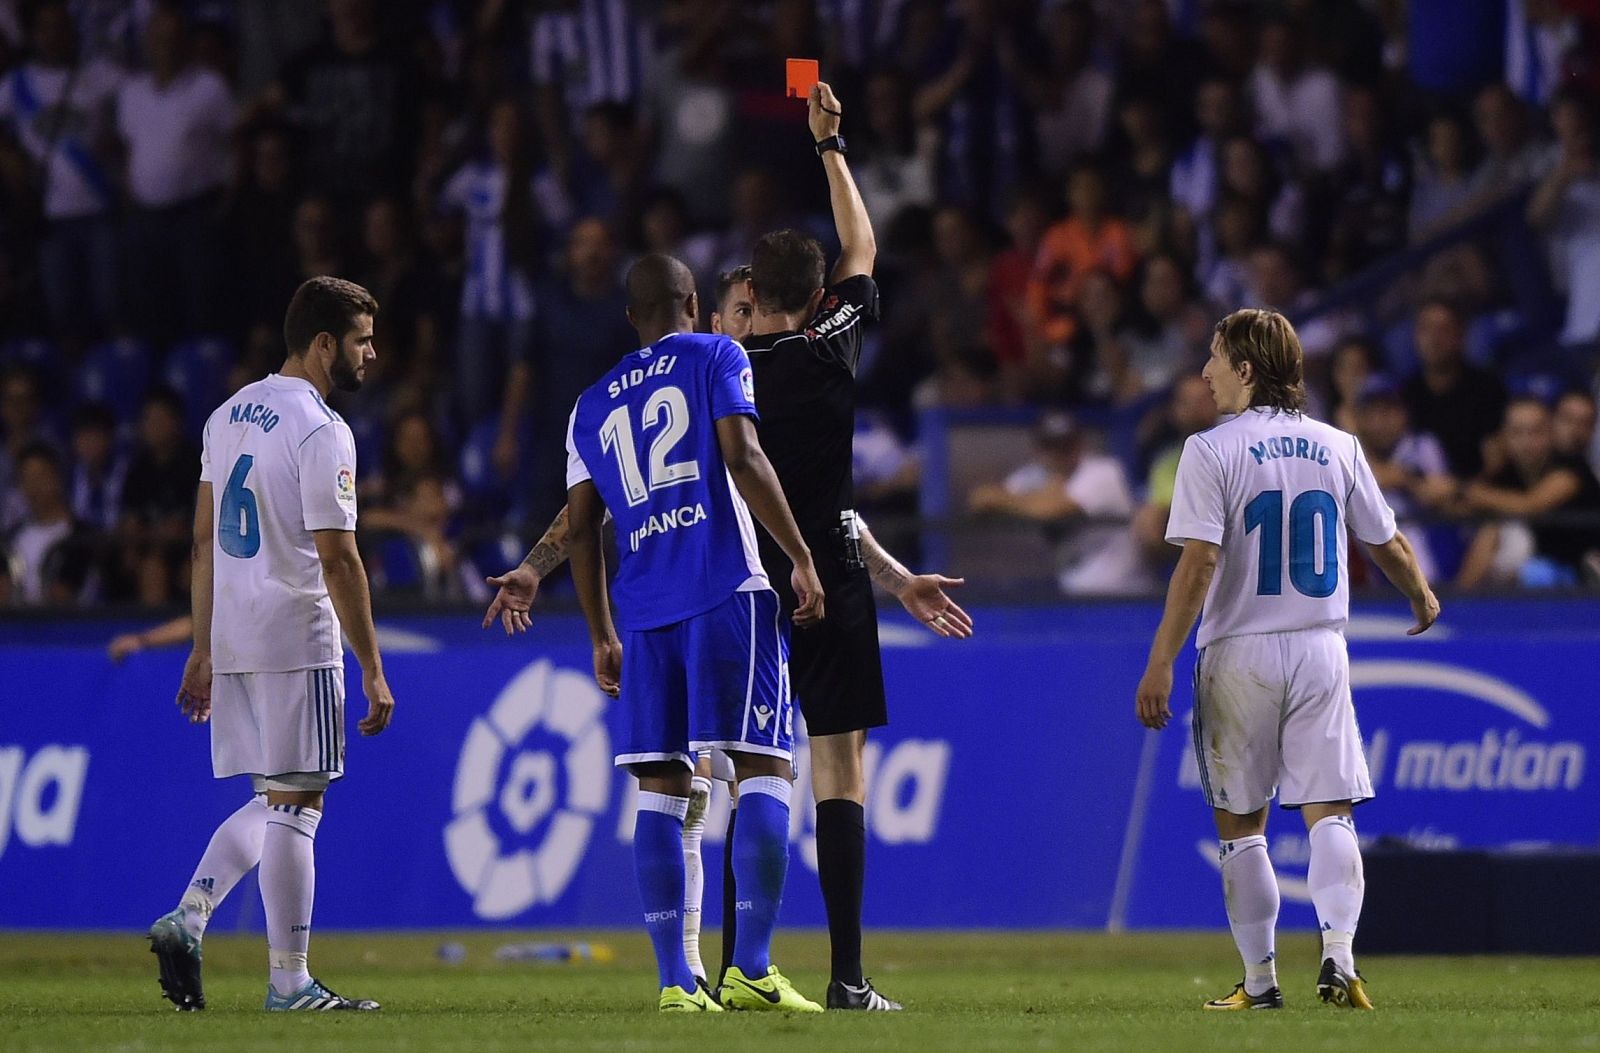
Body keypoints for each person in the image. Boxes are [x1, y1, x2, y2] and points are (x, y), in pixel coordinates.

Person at [1135, 308, 1439, 1012]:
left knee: (1243, 826)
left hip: (1239, 651)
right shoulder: (1339, 445)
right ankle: (1339, 958)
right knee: (1330, 812)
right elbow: (1385, 542)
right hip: (1319, 648)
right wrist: (1422, 596)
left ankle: (1262, 981)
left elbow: (1200, 562)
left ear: (1246, 368)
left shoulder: (1209, 451)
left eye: (1215, 358)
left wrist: (1160, 660)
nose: (1205, 372)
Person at [564, 253, 822, 1013]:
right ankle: (750, 966)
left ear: (627, 316)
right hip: (724, 588)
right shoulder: (718, 353)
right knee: (766, 766)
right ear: (689, 301)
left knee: (663, 787)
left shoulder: (588, 403)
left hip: (643, 611)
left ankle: (678, 981)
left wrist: (600, 632)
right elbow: (741, 455)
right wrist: (800, 556)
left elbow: (582, 532)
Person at [147, 277, 395, 1013]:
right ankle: (289, 979)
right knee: (300, 805)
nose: (370, 353)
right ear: (324, 344)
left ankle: (190, 913)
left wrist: (202, 648)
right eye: (359, 340)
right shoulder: (322, 428)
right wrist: (373, 666)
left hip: (235, 633)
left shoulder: (226, 417)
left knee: (276, 796)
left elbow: (200, 541)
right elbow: (339, 556)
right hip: (295, 628)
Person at [1456, 397, 1600, 589]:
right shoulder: (1506, 474)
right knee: (1494, 528)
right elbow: (1461, 508)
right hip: (1536, 572)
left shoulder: (1571, 468)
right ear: (1504, 437)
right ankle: (1456, 602)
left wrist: (1458, 487)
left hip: (1580, 573)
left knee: (1525, 553)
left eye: (1536, 432)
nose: (1527, 442)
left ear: (1550, 433)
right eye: (1517, 433)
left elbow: (1529, 505)